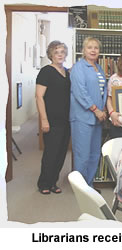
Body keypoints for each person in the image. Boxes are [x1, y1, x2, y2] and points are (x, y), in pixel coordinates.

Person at [70, 37, 107, 187]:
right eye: (89, 47)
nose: (93, 50)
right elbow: (80, 92)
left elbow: (103, 91)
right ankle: (81, 188)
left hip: (97, 118)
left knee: (94, 155)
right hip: (82, 117)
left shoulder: (99, 68)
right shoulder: (78, 67)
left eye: (96, 48)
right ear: (83, 50)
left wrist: (103, 109)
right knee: (82, 155)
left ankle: (89, 185)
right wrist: (96, 109)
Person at [35, 41, 70, 195]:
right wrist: (44, 120)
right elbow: (39, 97)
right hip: (51, 120)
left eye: (62, 52)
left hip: (66, 120)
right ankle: (44, 183)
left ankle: (53, 182)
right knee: (51, 153)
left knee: (61, 152)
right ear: (51, 55)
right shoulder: (46, 72)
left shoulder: (67, 73)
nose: (60, 55)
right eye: (56, 52)